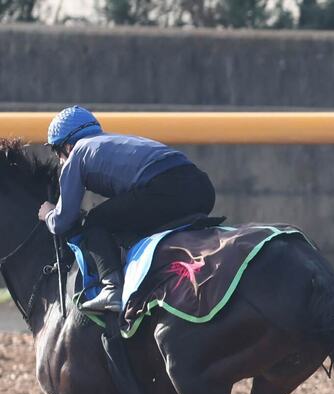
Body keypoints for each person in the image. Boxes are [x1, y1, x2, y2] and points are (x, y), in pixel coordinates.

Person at [39, 106, 216, 313]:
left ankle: (112, 289)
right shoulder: (114, 140)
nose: (59, 159)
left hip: (165, 188)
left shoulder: (77, 153)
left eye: (56, 151)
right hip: (202, 188)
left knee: (96, 221)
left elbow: (63, 221)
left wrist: (48, 214)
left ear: (67, 145)